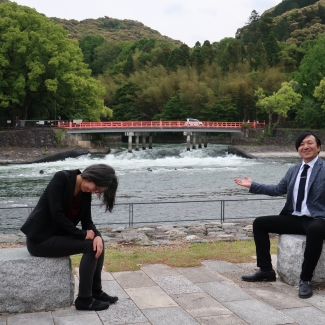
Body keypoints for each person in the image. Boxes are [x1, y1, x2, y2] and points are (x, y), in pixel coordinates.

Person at [234, 130, 325, 299]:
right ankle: (266, 270)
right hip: (295, 218)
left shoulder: (324, 169)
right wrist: (252, 185)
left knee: (315, 229)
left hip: (319, 219)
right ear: (298, 149)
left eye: (310, 143)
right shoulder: (293, 170)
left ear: (318, 147)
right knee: (260, 223)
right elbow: (278, 189)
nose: (305, 147)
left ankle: (305, 280)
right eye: (301, 144)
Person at [20, 164, 119, 311]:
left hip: (58, 237)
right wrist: (82, 234)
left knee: (98, 242)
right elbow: (57, 213)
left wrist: (97, 235)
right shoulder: (62, 178)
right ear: (92, 176)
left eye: (98, 191)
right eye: (96, 187)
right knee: (89, 246)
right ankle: (84, 300)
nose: (95, 191)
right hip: (40, 240)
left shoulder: (85, 195)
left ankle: (95, 292)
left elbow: (87, 222)